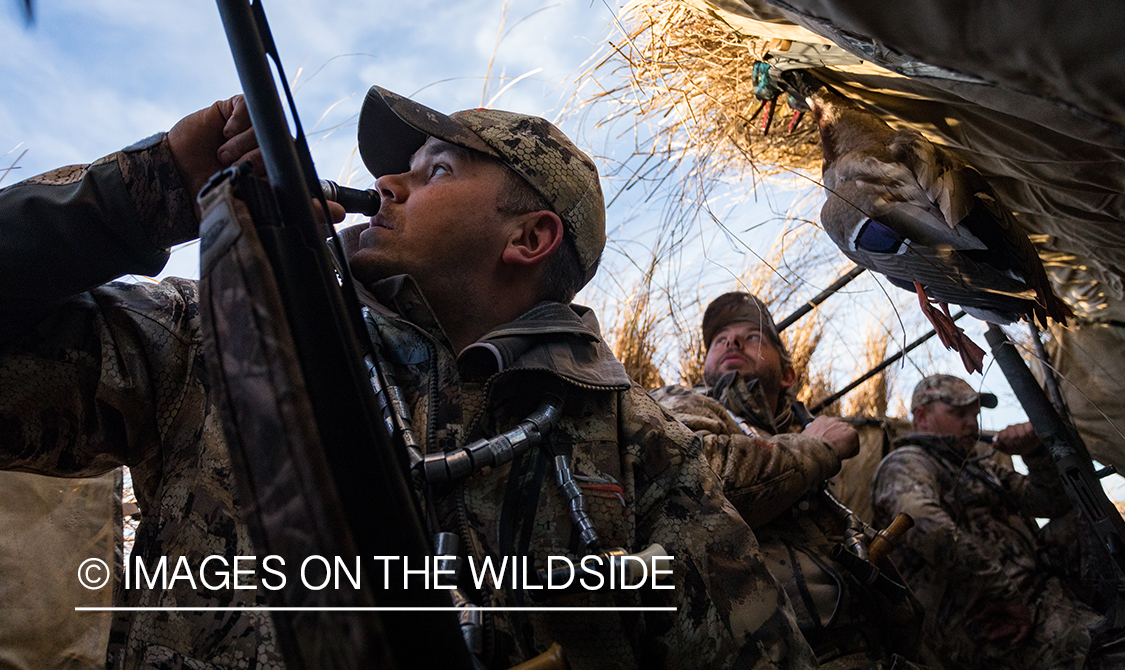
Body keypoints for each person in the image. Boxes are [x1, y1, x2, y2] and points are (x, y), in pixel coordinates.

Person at [0, 89, 817, 670]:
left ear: (529, 237)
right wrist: (141, 197)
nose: (384, 186)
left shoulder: (641, 445)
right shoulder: (211, 334)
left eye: (434, 172)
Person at [652, 292, 928, 668]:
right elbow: (703, 477)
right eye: (720, 340)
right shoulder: (679, 403)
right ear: (706, 367)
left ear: (787, 374)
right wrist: (816, 449)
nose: (731, 341)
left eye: (752, 337)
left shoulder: (797, 433)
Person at [871, 374, 1103, 670]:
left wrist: (1034, 453)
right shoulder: (906, 463)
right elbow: (926, 527)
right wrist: (1002, 591)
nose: (972, 423)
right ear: (922, 417)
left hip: (1038, 594)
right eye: (959, 413)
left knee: (1078, 519)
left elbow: (1052, 503)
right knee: (1101, 654)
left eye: (975, 414)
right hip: (983, 618)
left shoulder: (981, 468)